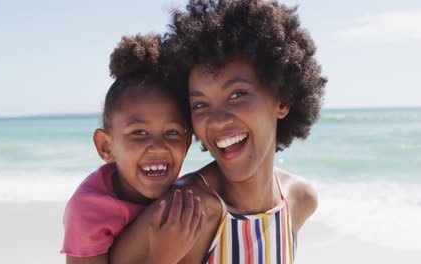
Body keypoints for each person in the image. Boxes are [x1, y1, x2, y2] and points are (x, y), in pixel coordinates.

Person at [108, 0, 327, 263]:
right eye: (200, 104)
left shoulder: (300, 201)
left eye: (237, 94)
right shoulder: (184, 213)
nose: (217, 120)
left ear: (282, 99)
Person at [61, 34, 205, 264]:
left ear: (187, 144)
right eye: (139, 133)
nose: (158, 147)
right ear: (106, 146)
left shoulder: (187, 192)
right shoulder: (89, 210)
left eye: (171, 133)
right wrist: (162, 257)